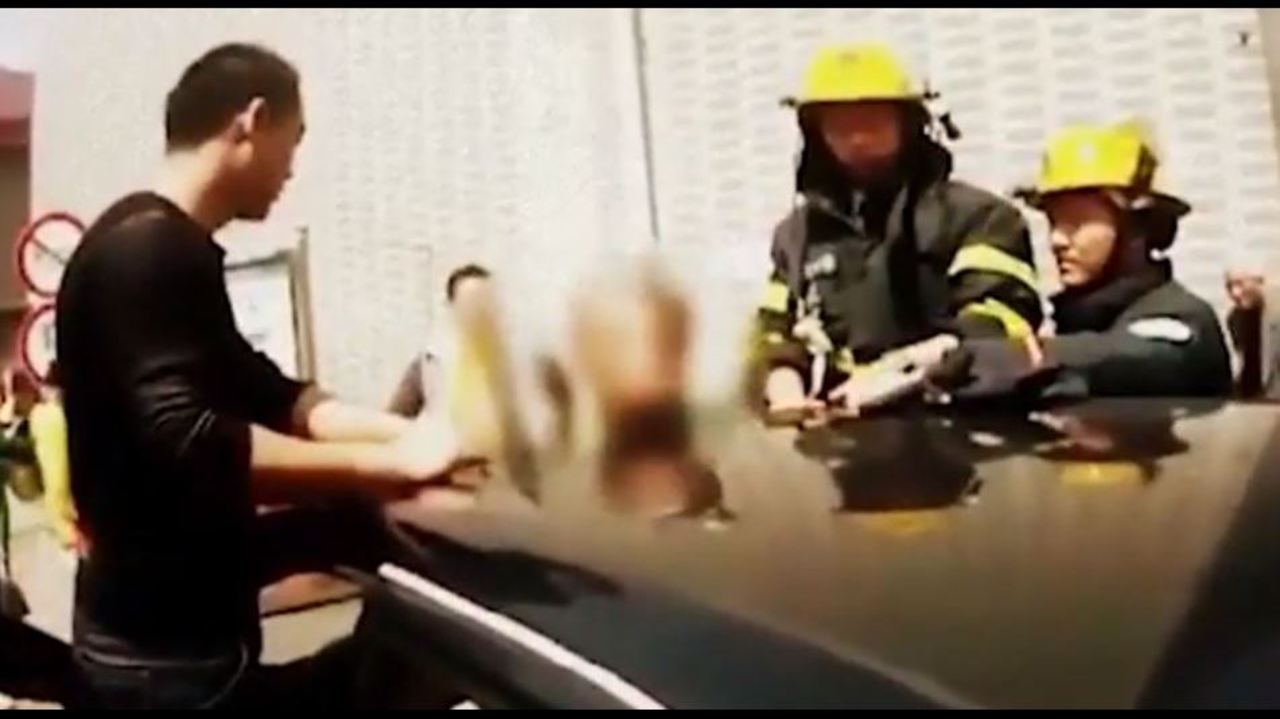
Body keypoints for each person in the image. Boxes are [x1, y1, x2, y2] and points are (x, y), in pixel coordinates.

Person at [56, 44, 480, 709]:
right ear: (250, 121)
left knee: (398, 657)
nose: (292, 169)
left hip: (162, 637)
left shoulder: (157, 242)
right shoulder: (148, 251)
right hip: (167, 665)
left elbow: (270, 393)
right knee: (406, 676)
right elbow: (192, 445)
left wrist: (408, 433)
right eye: (295, 140)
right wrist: (389, 465)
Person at [754, 42, 1043, 416]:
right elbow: (775, 332)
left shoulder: (980, 217)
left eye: (872, 119)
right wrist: (784, 388)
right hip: (841, 438)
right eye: (839, 124)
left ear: (909, 124)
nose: (857, 138)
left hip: (956, 430)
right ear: (815, 134)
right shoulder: (796, 236)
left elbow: (1000, 323)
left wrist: (899, 374)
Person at [935, 121, 1232, 401]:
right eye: (1054, 221)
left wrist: (1006, 358)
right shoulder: (1085, 323)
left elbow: (1134, 356)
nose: (1057, 240)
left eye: (1077, 221)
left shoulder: (1184, 319)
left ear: (1137, 229)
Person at [387, 264, 493, 419]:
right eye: (469, 303)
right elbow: (396, 418)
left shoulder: (514, 363)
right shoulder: (431, 361)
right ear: (451, 306)